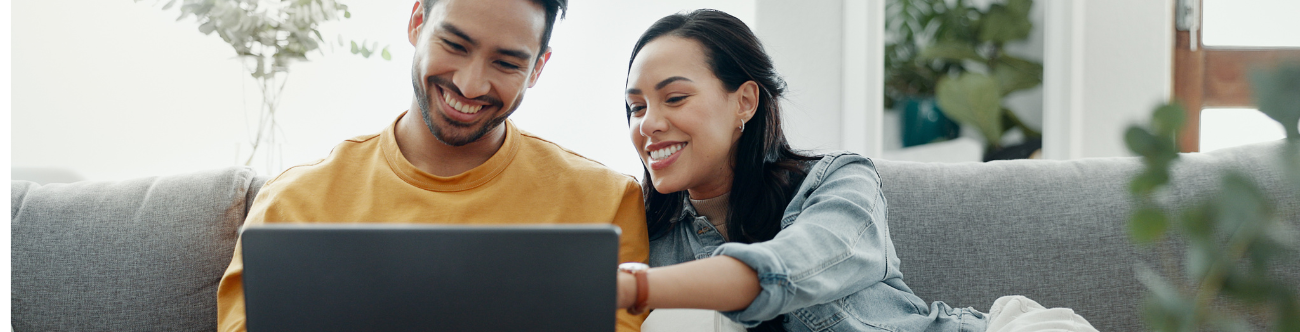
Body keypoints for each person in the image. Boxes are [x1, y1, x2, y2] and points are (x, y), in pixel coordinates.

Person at [614, 9, 1098, 332]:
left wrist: (634, 287)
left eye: (674, 98)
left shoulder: (839, 183)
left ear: (744, 101)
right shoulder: (646, 232)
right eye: (636, 108)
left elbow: (786, 270)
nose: (649, 124)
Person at [214, 0, 650, 331]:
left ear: (538, 68)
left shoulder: (606, 202)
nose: (470, 83)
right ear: (417, 22)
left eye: (506, 63)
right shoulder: (293, 204)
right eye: (455, 45)